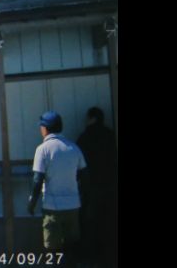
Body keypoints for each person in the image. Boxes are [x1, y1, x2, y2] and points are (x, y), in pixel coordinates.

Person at [27, 111, 87, 267]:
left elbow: (37, 179)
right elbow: (84, 175)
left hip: (52, 207)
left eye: (41, 126)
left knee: (52, 248)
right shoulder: (74, 148)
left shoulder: (43, 149)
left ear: (45, 128)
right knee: (72, 245)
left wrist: (32, 202)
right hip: (73, 205)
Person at [76, 107, 118, 268]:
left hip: (91, 187)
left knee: (90, 223)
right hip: (110, 185)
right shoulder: (110, 135)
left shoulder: (85, 138)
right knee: (109, 221)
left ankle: (90, 258)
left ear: (91, 118)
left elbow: (79, 164)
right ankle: (109, 257)